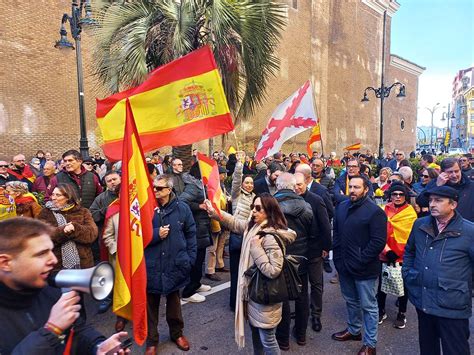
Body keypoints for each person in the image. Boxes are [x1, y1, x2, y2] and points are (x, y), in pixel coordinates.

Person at [0, 217, 129, 354]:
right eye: (41, 254)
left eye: (51, 250)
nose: (54, 260)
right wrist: (51, 330)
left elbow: (77, 330)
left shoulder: (49, 289)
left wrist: (97, 346)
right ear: (5, 263)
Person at [206, 193, 296, 355]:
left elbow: (273, 270)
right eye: (252, 207)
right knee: (256, 335)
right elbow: (235, 222)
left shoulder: (269, 236)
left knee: (268, 340)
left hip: (265, 297)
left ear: (269, 211)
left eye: (258, 208)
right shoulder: (253, 227)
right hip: (254, 293)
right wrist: (214, 211)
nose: (253, 211)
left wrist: (256, 249)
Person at [402, 186, 474, 355]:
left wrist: (464, 287)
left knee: (455, 350)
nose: (432, 204)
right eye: (431, 200)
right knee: (428, 349)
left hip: (452, 305)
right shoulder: (420, 224)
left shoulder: (469, 231)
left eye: (438, 200)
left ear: (453, 205)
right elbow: (410, 251)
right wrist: (409, 275)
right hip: (424, 301)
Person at [331, 175, 387, 355]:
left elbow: (378, 242)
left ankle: (370, 344)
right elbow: (337, 234)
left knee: (369, 306)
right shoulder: (341, 206)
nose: (352, 190)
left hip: (365, 268)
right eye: (351, 187)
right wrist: (338, 259)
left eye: (357, 187)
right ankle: (354, 330)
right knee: (351, 301)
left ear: (365, 189)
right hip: (344, 265)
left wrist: (361, 258)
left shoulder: (374, 211)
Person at [145, 175, 196, 354]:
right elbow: (135, 236)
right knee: (151, 306)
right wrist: (156, 234)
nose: (155, 191)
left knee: (174, 304)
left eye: (159, 188)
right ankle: (151, 340)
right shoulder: (146, 208)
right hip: (151, 266)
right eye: (153, 187)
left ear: (169, 189)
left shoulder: (182, 208)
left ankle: (177, 334)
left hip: (175, 265)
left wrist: (190, 259)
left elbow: (191, 234)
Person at [274, 173, 313, 350]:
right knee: (302, 296)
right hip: (301, 257)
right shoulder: (305, 206)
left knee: (281, 298)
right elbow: (313, 232)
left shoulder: (271, 206)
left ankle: (282, 339)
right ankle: (301, 334)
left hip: (279, 257)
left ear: (278, 186)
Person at [294, 172, 331, 333]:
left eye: (299, 185)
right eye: (294, 185)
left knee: (316, 285)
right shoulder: (291, 200)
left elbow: (325, 226)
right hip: (297, 252)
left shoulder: (316, 200)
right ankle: (302, 312)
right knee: (299, 286)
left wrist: (326, 248)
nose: (296, 188)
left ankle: (316, 315)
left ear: (306, 183)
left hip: (315, 250)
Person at [377, 183, 417, 329]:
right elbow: (379, 233)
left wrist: (400, 253)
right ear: (390, 195)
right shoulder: (383, 210)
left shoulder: (410, 213)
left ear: (405, 196)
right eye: (395, 194)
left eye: (401, 194)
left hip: (403, 255)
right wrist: (387, 251)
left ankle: (402, 313)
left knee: (403, 287)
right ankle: (381, 311)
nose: (398, 197)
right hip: (385, 252)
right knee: (381, 285)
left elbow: (411, 237)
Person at [38, 184, 98, 270]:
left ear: (68, 197)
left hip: (83, 263)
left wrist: (75, 228)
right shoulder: (45, 213)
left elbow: (92, 234)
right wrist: (63, 231)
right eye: (53, 194)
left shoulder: (83, 211)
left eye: (58, 195)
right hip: (56, 265)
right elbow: (42, 235)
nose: (53, 198)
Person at [179, 163, 212, 303]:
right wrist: (199, 206)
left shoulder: (200, 185)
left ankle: (197, 284)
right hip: (196, 229)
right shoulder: (193, 186)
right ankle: (188, 291)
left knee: (200, 258)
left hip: (203, 227)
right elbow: (181, 202)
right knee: (196, 260)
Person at [228, 151, 256, 311]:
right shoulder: (237, 195)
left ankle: (246, 300)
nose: (249, 185)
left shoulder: (255, 198)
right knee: (235, 273)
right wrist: (240, 164)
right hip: (237, 239)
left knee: (248, 273)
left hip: (250, 240)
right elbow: (236, 181)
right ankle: (234, 303)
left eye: (251, 183)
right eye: (247, 183)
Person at [417, 157, 474, 222]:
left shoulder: (471, 186)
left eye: (456, 171)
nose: (454, 175)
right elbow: (421, 202)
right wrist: (437, 186)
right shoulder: (435, 183)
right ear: (442, 172)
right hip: (442, 227)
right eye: (450, 172)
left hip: (467, 228)